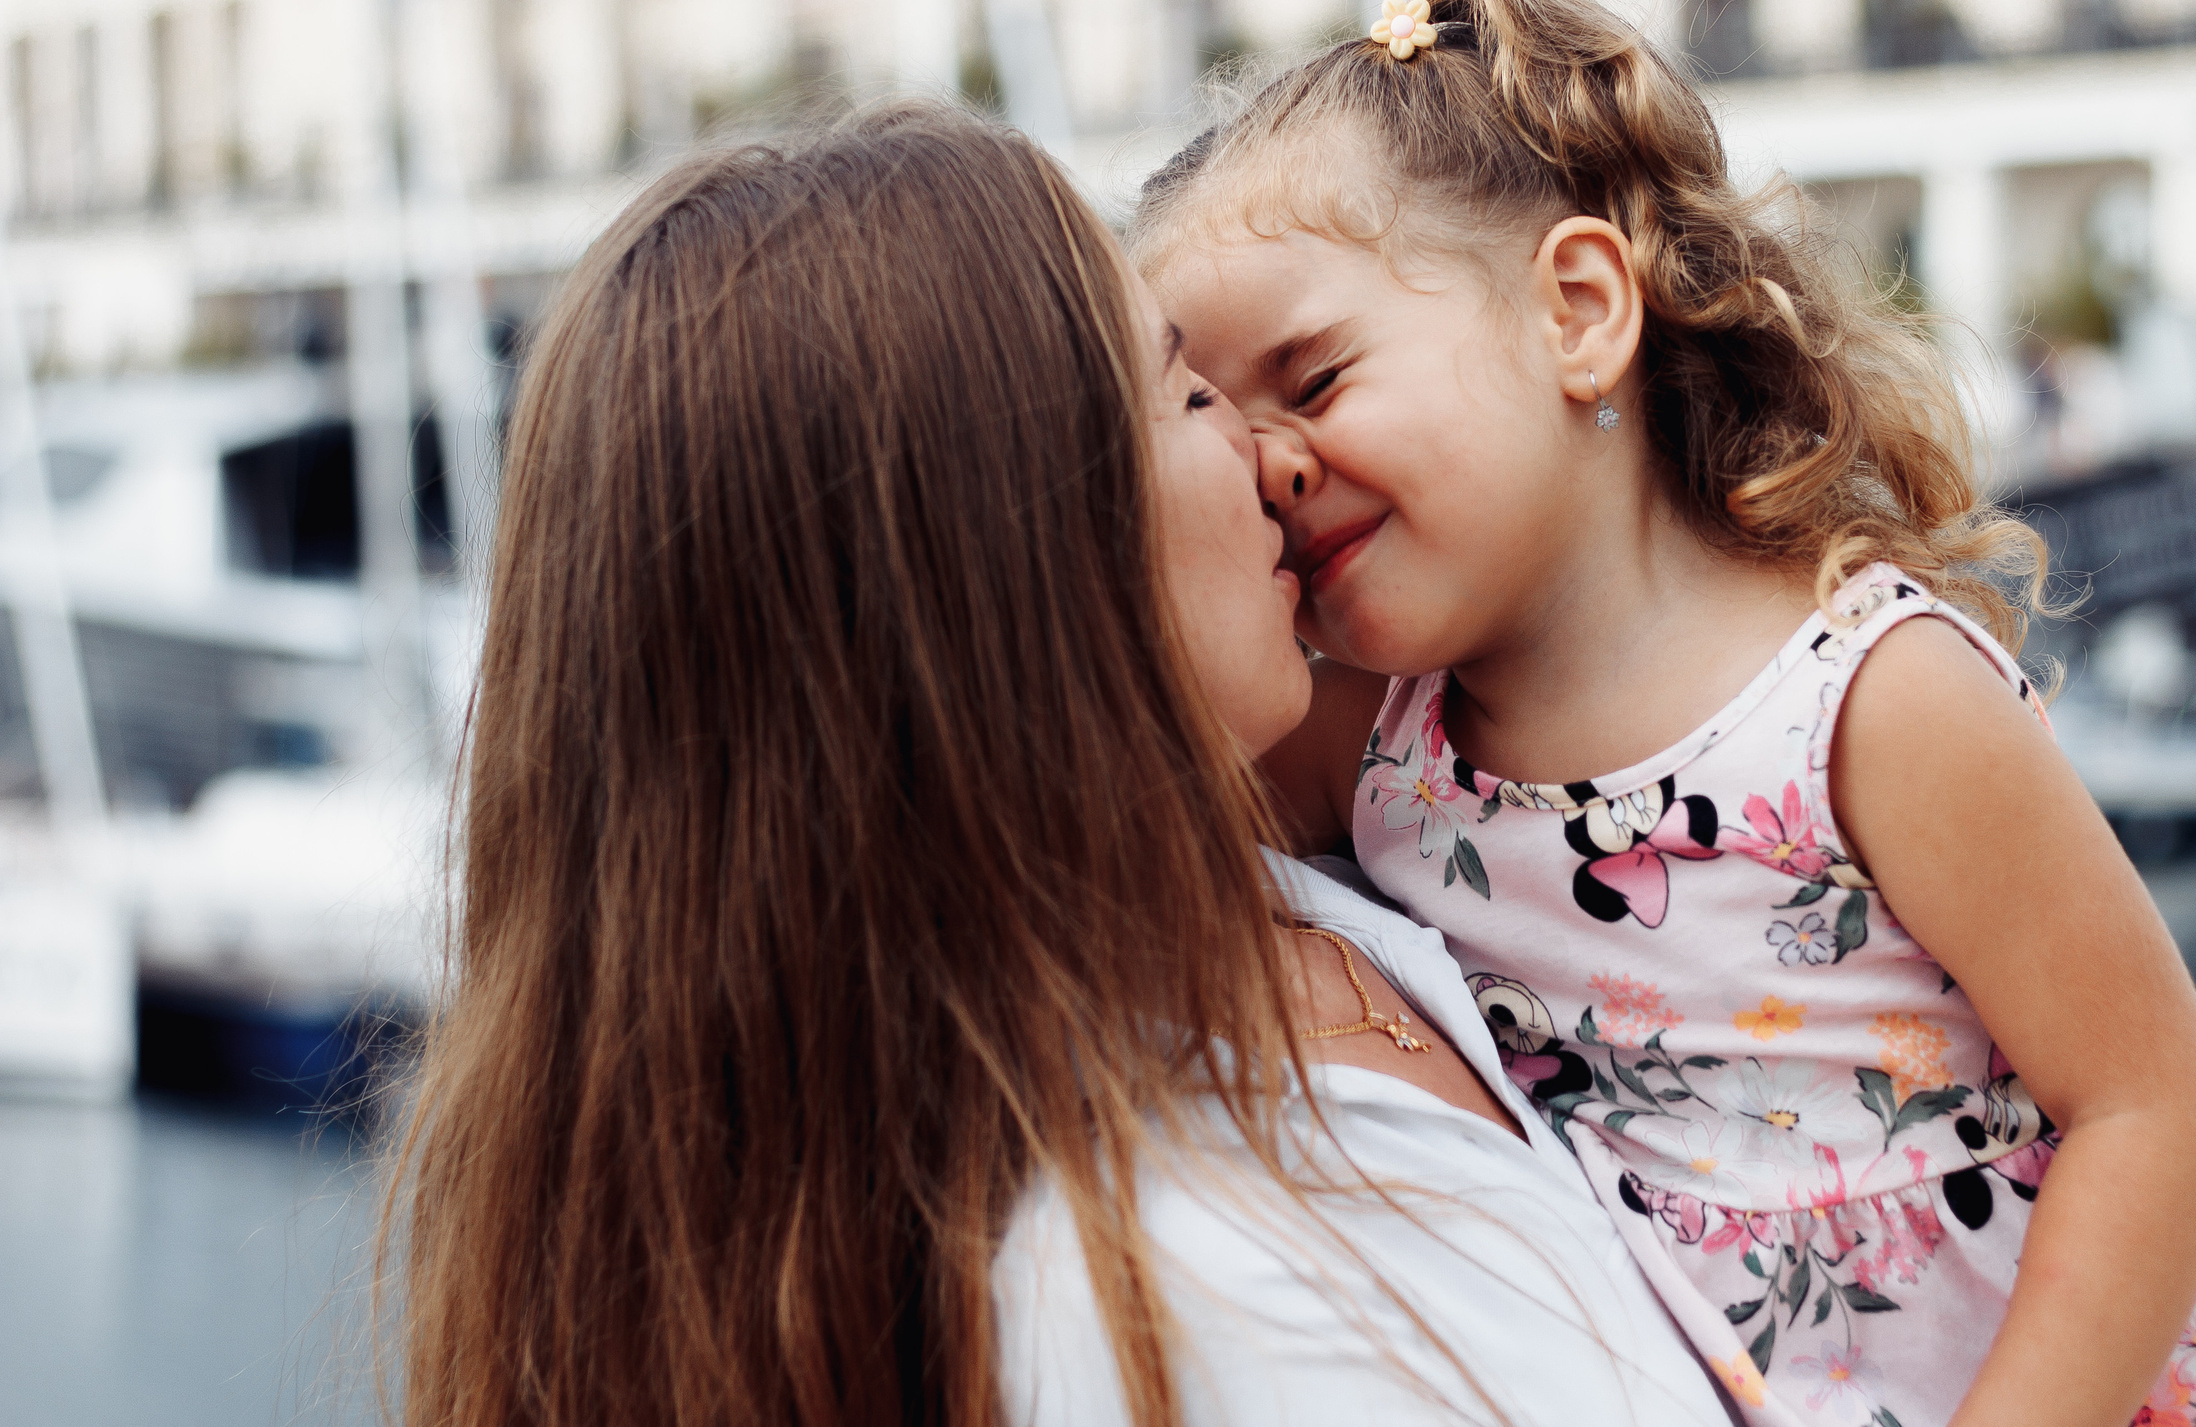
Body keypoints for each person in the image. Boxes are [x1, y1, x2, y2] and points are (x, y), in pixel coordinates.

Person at [1134, 0, 2196, 1427]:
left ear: (1574, 309)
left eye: (1317, 375)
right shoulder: (1375, 739)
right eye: (1222, 424)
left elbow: (2155, 1110)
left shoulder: (1866, 700)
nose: (1271, 464)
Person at [384, 104, 1729, 1427]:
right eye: (1189, 388)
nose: (1266, 458)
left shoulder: (1284, 884)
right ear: (1008, 557)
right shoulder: (1168, 1296)